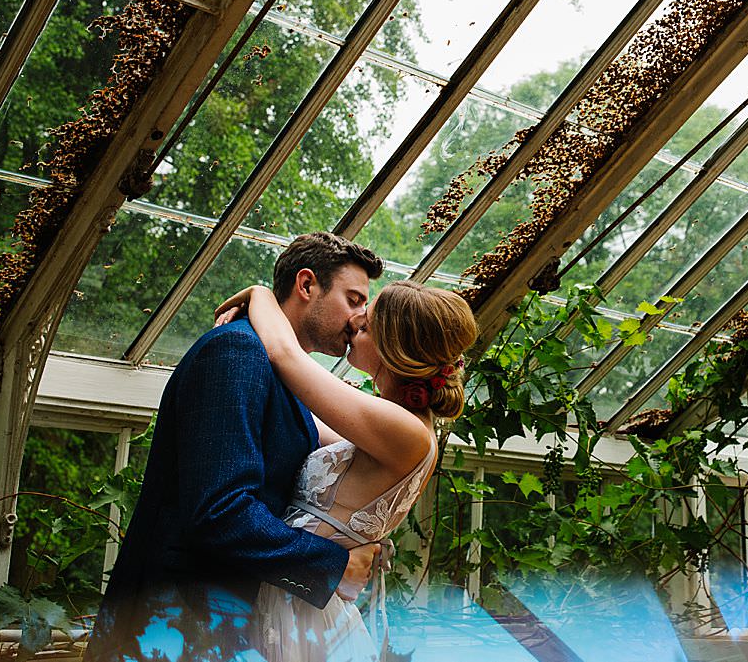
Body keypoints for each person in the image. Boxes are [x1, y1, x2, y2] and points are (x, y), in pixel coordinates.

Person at [85, 233, 385, 662]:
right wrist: (332, 566)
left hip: (226, 623)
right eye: (353, 299)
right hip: (178, 625)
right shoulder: (237, 351)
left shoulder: (286, 374)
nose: (360, 317)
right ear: (306, 285)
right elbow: (220, 510)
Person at [213, 279, 478, 661]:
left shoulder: (406, 431)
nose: (353, 324)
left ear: (395, 349)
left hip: (302, 614)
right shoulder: (394, 426)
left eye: (366, 326)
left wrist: (259, 294)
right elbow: (303, 418)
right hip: (301, 600)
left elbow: (286, 357)